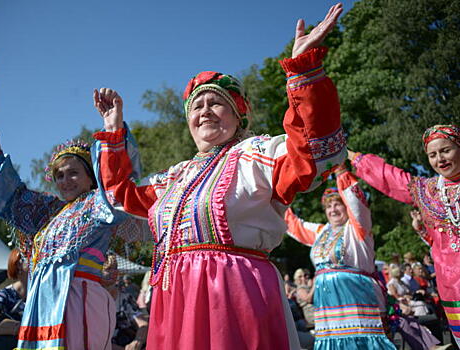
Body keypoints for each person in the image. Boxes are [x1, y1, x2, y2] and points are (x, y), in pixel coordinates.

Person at [93, 4, 346, 349]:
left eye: (216, 103)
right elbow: (120, 196)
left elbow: (312, 151)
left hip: (234, 294)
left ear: (238, 115)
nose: (205, 111)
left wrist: (303, 71)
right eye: (197, 106)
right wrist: (113, 133)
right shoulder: (176, 177)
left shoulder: (257, 154)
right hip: (176, 301)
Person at [0, 117, 143, 349]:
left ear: (91, 177)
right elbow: (10, 199)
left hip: (78, 301)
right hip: (42, 303)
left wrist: (113, 127)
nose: (65, 181)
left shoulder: (98, 203)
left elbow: (123, 186)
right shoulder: (47, 212)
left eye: (73, 173)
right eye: (60, 175)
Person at [348, 124, 460, 348]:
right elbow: (391, 178)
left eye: (446, 150)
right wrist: (356, 158)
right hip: (454, 291)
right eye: (432, 154)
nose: (440, 159)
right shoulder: (428, 191)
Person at [285, 166, 395, 349]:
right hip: (328, 309)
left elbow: (357, 204)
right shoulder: (321, 232)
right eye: (328, 206)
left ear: (346, 207)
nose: (333, 210)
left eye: (337, 204)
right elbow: (293, 225)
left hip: (357, 299)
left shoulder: (358, 229)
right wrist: (277, 193)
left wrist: (341, 171)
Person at [0, 249, 27, 349]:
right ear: (18, 264)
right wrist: (23, 327)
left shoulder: (42, 294)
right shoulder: (4, 295)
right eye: (29, 257)